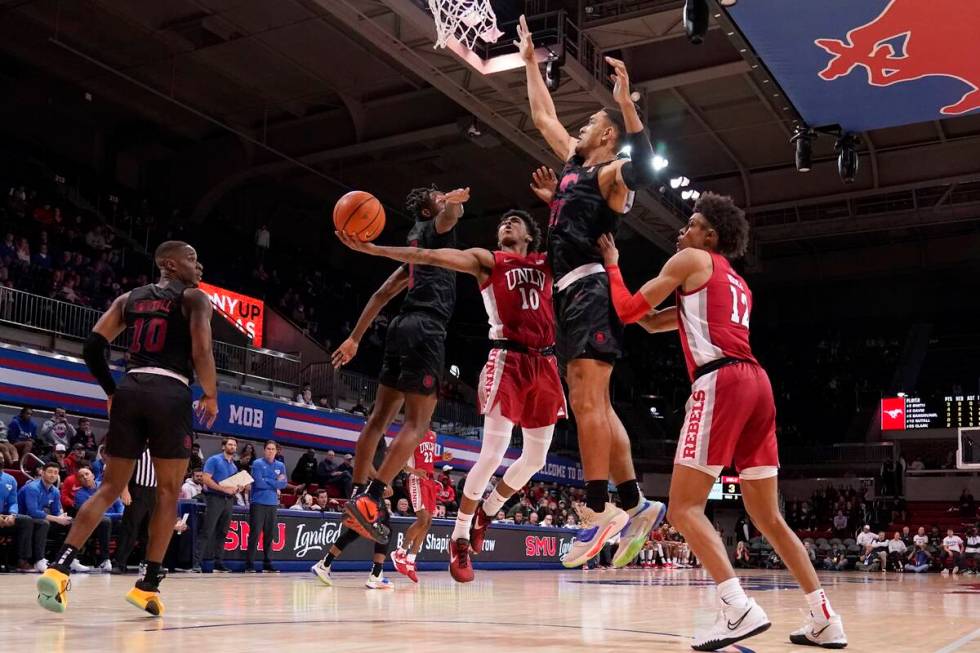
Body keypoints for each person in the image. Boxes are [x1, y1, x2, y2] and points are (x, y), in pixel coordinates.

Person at [595, 194, 846, 650]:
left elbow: (629, 310)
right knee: (768, 516)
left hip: (722, 381)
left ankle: (737, 607)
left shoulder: (691, 258)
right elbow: (652, 324)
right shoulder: (736, 283)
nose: (681, 232)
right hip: (757, 384)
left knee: (684, 508)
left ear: (710, 236)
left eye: (690, 224)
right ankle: (824, 617)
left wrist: (612, 265)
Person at [515, 16, 659, 564]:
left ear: (604, 135)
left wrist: (624, 104)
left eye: (588, 123)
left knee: (586, 402)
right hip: (570, 295)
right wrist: (530, 62)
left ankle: (599, 511)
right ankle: (636, 503)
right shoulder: (575, 167)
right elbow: (542, 115)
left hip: (589, 290)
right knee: (597, 406)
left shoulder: (612, 173)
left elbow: (646, 170)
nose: (576, 128)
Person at [35, 240, 218, 616]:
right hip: (171, 391)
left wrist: (111, 391)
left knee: (109, 488)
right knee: (168, 493)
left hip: (131, 388)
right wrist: (212, 394)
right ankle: (147, 585)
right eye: (192, 258)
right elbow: (202, 350)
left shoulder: (128, 299)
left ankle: (58, 569)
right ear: (168, 264)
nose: (199, 267)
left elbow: (91, 347)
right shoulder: (195, 299)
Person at [334, 184, 469, 545]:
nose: (443, 198)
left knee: (378, 419)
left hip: (399, 327)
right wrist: (451, 205)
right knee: (418, 422)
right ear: (428, 211)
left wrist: (354, 338)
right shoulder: (436, 232)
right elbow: (448, 216)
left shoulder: (415, 259)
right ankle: (371, 499)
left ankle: (357, 491)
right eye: (437, 197)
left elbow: (380, 295)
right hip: (426, 329)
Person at [311, 434, 396, 590]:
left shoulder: (375, 434)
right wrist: (380, 483)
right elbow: (363, 460)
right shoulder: (377, 434)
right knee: (386, 530)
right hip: (368, 487)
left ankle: (325, 564)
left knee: (355, 531)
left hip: (362, 485)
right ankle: (376, 575)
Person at [390, 429, 439, 583]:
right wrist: (413, 471)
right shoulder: (413, 433)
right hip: (416, 479)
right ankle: (400, 552)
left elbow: (427, 459)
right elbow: (400, 460)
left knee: (429, 521)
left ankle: (411, 560)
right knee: (423, 518)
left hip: (429, 479)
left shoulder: (432, 435)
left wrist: (441, 457)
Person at [20, 463, 79, 572]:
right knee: (44, 523)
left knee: (73, 523)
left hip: (40, 518)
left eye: (56, 473)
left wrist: (62, 517)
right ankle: (39, 560)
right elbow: (32, 512)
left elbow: (56, 511)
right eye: (50, 472)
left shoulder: (55, 491)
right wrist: (57, 519)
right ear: (42, 472)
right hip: (25, 518)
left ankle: (68, 560)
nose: (53, 475)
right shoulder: (33, 488)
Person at [199, 438, 245, 574]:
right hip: (214, 498)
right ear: (223, 446)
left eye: (235, 445)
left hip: (228, 500)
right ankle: (196, 562)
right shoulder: (214, 460)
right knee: (207, 531)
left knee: (223, 532)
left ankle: (218, 562)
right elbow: (206, 479)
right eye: (230, 444)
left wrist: (238, 488)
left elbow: (232, 486)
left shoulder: (234, 466)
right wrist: (223, 489)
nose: (232, 447)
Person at [112, 449, 157, 574]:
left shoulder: (163, 450)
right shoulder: (140, 448)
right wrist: (124, 490)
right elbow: (125, 469)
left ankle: (147, 563)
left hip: (155, 493)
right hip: (137, 490)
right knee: (130, 528)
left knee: (150, 531)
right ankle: (119, 562)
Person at [246, 440, 287, 573]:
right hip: (258, 502)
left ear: (276, 451)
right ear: (264, 450)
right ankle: (249, 564)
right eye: (268, 449)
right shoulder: (257, 463)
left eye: (273, 449)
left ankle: (267, 563)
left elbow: (283, 484)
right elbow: (258, 483)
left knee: (270, 534)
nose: (270, 451)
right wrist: (274, 481)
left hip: (272, 504)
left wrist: (268, 480)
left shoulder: (280, 465)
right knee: (255, 533)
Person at [74, 467, 123, 572]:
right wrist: (116, 515)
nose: (85, 477)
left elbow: (120, 507)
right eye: (81, 476)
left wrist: (118, 514)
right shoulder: (80, 495)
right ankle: (104, 559)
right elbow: (92, 515)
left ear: (93, 475)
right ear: (79, 481)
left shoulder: (106, 488)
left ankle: (120, 560)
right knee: (105, 521)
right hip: (92, 526)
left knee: (128, 523)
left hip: (114, 521)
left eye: (87, 474)